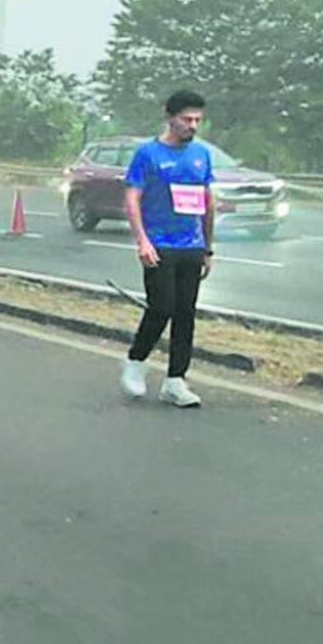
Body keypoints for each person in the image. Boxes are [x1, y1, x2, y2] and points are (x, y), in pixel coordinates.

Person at [120, 89, 215, 408]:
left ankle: (175, 381)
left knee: (186, 313)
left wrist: (207, 248)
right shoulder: (148, 154)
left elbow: (207, 200)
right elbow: (132, 197)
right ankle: (136, 361)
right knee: (161, 307)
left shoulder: (201, 154)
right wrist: (142, 240)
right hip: (159, 243)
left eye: (197, 120)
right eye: (187, 119)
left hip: (191, 245)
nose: (193, 126)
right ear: (170, 118)